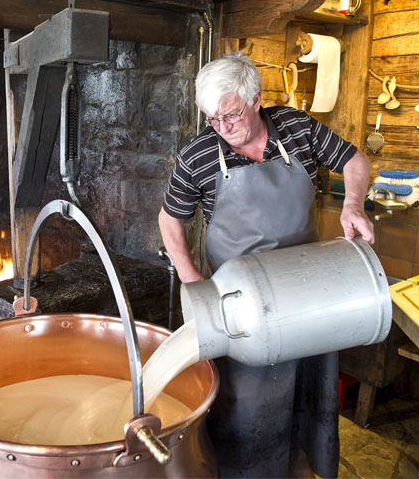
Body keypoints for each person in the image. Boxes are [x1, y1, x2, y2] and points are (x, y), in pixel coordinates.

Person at [158, 52, 374, 478]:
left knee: (310, 395)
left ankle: (302, 468)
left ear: (256, 100)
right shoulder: (199, 156)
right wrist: (192, 281)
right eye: (212, 119)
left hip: (308, 293)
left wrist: (353, 205)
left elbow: (354, 160)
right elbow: (169, 220)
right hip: (242, 308)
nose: (222, 128)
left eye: (231, 115)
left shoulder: (295, 127)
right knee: (248, 409)